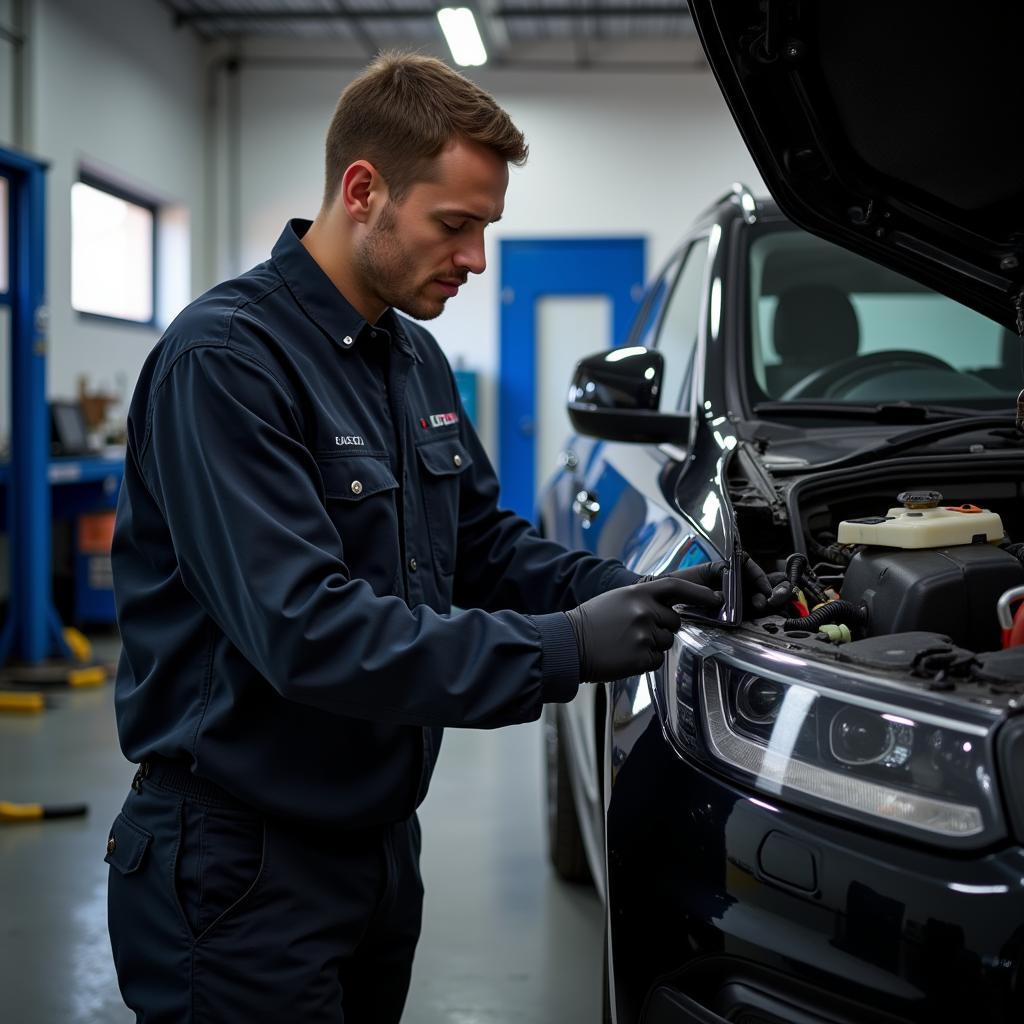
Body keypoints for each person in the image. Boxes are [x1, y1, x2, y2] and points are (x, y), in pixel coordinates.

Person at [106, 52, 724, 1023]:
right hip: (240, 863)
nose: (476, 258)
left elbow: (482, 544)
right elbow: (307, 628)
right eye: (456, 224)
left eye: (486, 227)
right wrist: (568, 647)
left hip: (381, 843)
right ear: (364, 190)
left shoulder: (412, 357)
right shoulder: (225, 364)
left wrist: (634, 593)